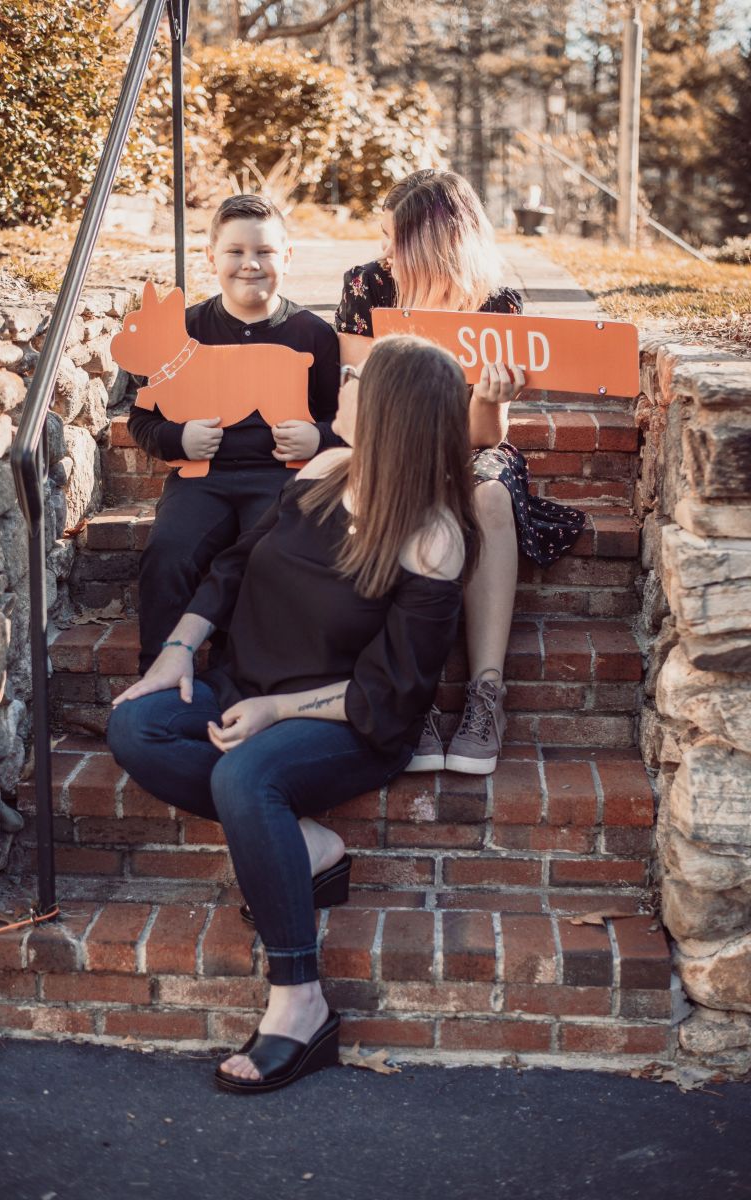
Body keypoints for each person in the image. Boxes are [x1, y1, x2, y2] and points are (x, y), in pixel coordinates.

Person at [107, 334, 479, 1093]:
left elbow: (393, 691)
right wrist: (180, 647)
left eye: (357, 378)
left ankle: (300, 1004)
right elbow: (236, 565)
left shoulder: (432, 538)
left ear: (390, 413)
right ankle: (307, 845)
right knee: (134, 727)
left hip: (348, 722)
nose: (341, 379)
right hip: (244, 683)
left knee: (247, 778)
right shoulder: (323, 468)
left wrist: (278, 711)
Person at [336, 171, 585, 775]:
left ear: (433, 243)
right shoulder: (368, 286)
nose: (387, 253)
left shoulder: (499, 304)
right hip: (388, 442)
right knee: (393, 493)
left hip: (466, 445)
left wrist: (492, 398)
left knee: (493, 496)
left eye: (398, 241)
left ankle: (485, 694)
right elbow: (354, 408)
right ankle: (407, 690)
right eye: (386, 240)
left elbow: (486, 436)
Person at [128, 193, 342, 673]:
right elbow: (142, 419)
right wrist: (178, 439)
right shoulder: (184, 330)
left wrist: (319, 440)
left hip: (280, 481)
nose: (250, 264)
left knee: (268, 559)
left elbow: (346, 424)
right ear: (211, 258)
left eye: (265, 252)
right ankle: (156, 675)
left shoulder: (312, 335)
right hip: (201, 481)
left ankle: (240, 677)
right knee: (168, 552)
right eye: (235, 252)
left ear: (286, 257)